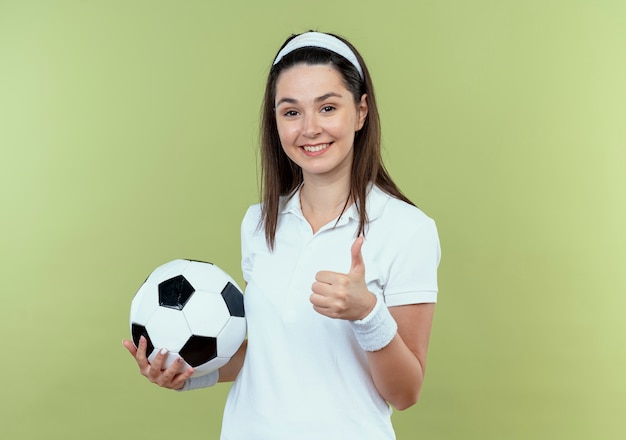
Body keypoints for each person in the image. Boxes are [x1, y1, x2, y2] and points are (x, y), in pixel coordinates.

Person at [123, 31, 441, 439]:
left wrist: (367, 314)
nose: (309, 128)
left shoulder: (407, 230)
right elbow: (270, 357)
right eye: (291, 112)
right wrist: (187, 374)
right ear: (275, 122)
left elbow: (405, 392)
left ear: (361, 112)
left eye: (327, 107)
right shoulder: (259, 223)